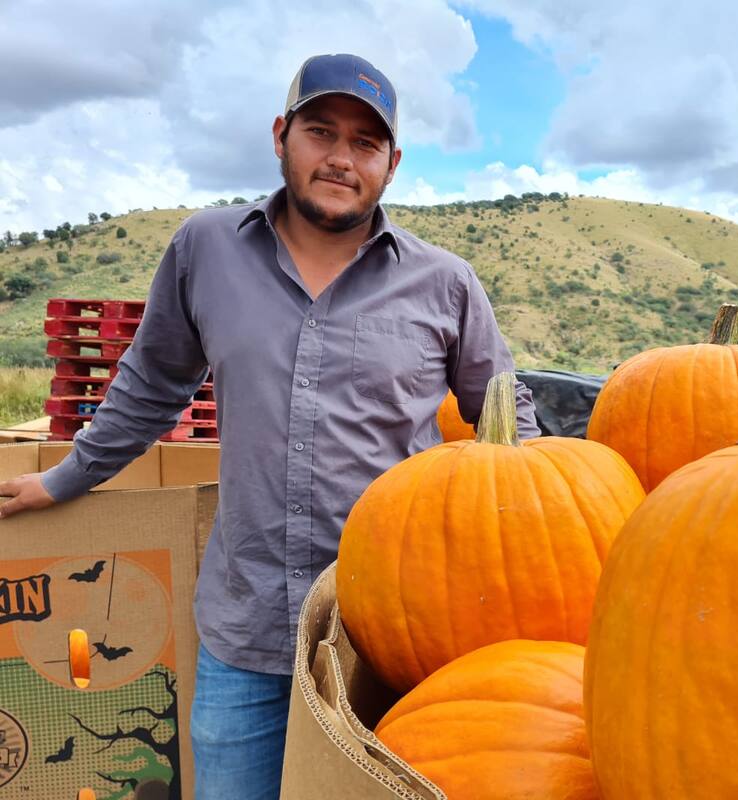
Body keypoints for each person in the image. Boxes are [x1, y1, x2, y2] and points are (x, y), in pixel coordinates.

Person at [0, 53, 538, 799]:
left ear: (393, 163)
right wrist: (64, 478)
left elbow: (513, 426)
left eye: (365, 143)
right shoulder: (205, 250)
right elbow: (151, 386)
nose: (341, 159)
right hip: (244, 627)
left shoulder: (445, 283)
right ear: (282, 135)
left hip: (382, 635)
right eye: (322, 132)